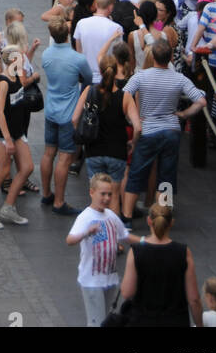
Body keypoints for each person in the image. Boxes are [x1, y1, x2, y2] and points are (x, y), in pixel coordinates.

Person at [121, 40, 207, 222]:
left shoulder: (140, 76)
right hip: (171, 130)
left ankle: (127, 217)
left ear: (152, 57)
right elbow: (201, 101)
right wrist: (183, 114)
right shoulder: (179, 78)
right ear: (169, 58)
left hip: (148, 130)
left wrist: (134, 118)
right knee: (167, 176)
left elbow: (125, 95)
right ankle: (163, 216)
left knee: (136, 173)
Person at [66, 173, 137, 327]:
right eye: (102, 194)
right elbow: (70, 240)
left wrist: (147, 242)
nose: (106, 198)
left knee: (106, 321)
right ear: (92, 192)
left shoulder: (110, 215)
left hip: (109, 278)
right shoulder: (85, 217)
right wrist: (86, 233)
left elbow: (124, 235)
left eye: (109, 194)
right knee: (96, 323)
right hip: (92, 280)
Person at [40, 16, 93, 217]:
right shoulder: (77, 59)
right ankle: (60, 201)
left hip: (51, 110)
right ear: (68, 35)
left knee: (48, 153)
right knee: (64, 158)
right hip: (69, 113)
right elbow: (88, 79)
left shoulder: (46, 55)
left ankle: (46, 193)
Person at [119, 203, 203, 327]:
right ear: (171, 223)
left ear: (149, 221)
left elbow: (127, 292)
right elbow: (194, 299)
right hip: (176, 320)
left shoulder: (136, 251)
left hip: (143, 320)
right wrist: (199, 324)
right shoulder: (183, 252)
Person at [0, 46, 34, 229]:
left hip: (17, 130)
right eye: (20, 56)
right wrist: (7, 139)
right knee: (3, 171)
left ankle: (8, 207)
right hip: (4, 133)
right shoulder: (3, 81)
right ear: (12, 60)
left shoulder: (18, 75)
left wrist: (32, 49)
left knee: (27, 167)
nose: (23, 58)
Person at [72, 52, 131, 216]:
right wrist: (133, 142)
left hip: (93, 150)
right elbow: (138, 126)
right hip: (117, 151)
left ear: (100, 70)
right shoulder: (124, 96)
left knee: (98, 196)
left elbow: (74, 118)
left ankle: (97, 234)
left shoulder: (90, 91)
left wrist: (83, 133)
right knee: (113, 196)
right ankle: (114, 236)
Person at [74, 0, 122, 83]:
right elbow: (118, 55)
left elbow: (78, 52)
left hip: (87, 76)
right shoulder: (117, 28)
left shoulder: (81, 23)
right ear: (111, 7)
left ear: (96, 4)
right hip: (107, 77)